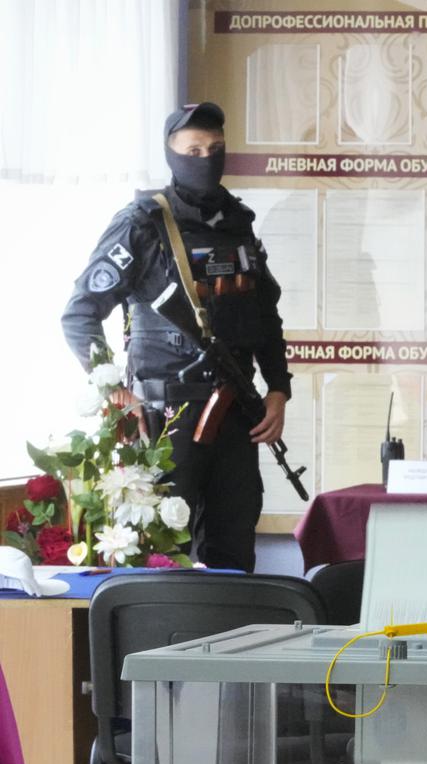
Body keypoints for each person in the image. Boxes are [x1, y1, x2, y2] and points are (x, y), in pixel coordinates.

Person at [62, 102, 290, 572]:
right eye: (193, 150)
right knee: (163, 555)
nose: (205, 158)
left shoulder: (238, 223)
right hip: (167, 420)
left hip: (237, 414)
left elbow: (264, 315)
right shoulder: (142, 223)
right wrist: (114, 392)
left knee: (234, 547)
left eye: (215, 149)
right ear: (172, 156)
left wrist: (279, 389)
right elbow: (80, 315)